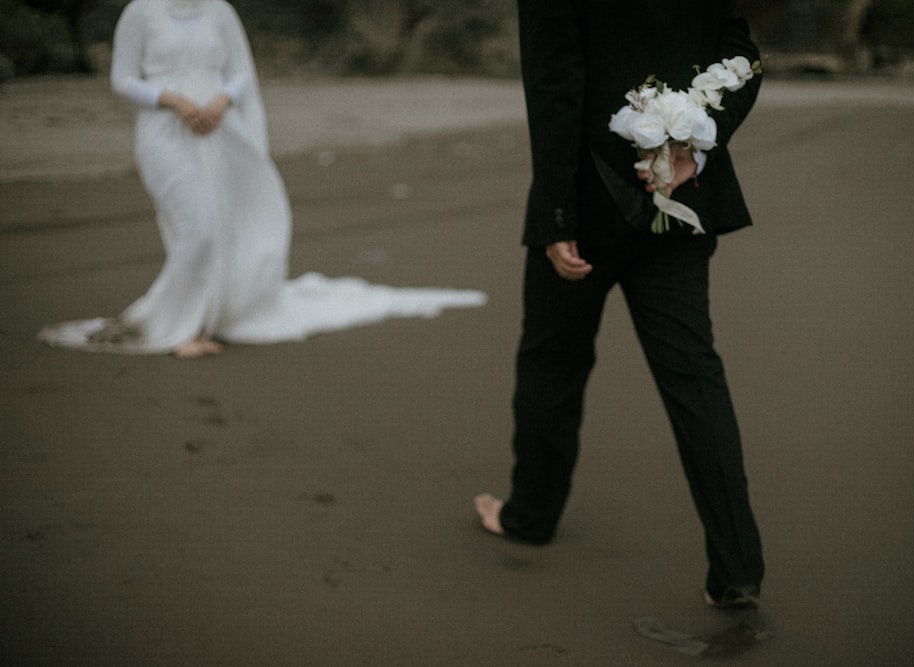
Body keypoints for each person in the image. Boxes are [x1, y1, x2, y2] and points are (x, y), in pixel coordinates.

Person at [475, 0, 765, 609]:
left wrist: (557, 215)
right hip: (681, 189)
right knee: (694, 373)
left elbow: (554, 83)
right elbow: (741, 58)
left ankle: (530, 515)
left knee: (553, 361)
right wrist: (692, 147)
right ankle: (737, 565)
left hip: (586, 202)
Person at [38, 0, 485, 357]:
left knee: (223, 224)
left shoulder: (220, 10)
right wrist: (171, 99)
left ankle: (205, 320)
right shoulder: (141, 11)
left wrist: (221, 100)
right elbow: (121, 80)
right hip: (165, 132)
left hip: (219, 131)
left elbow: (240, 72)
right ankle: (180, 325)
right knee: (196, 230)